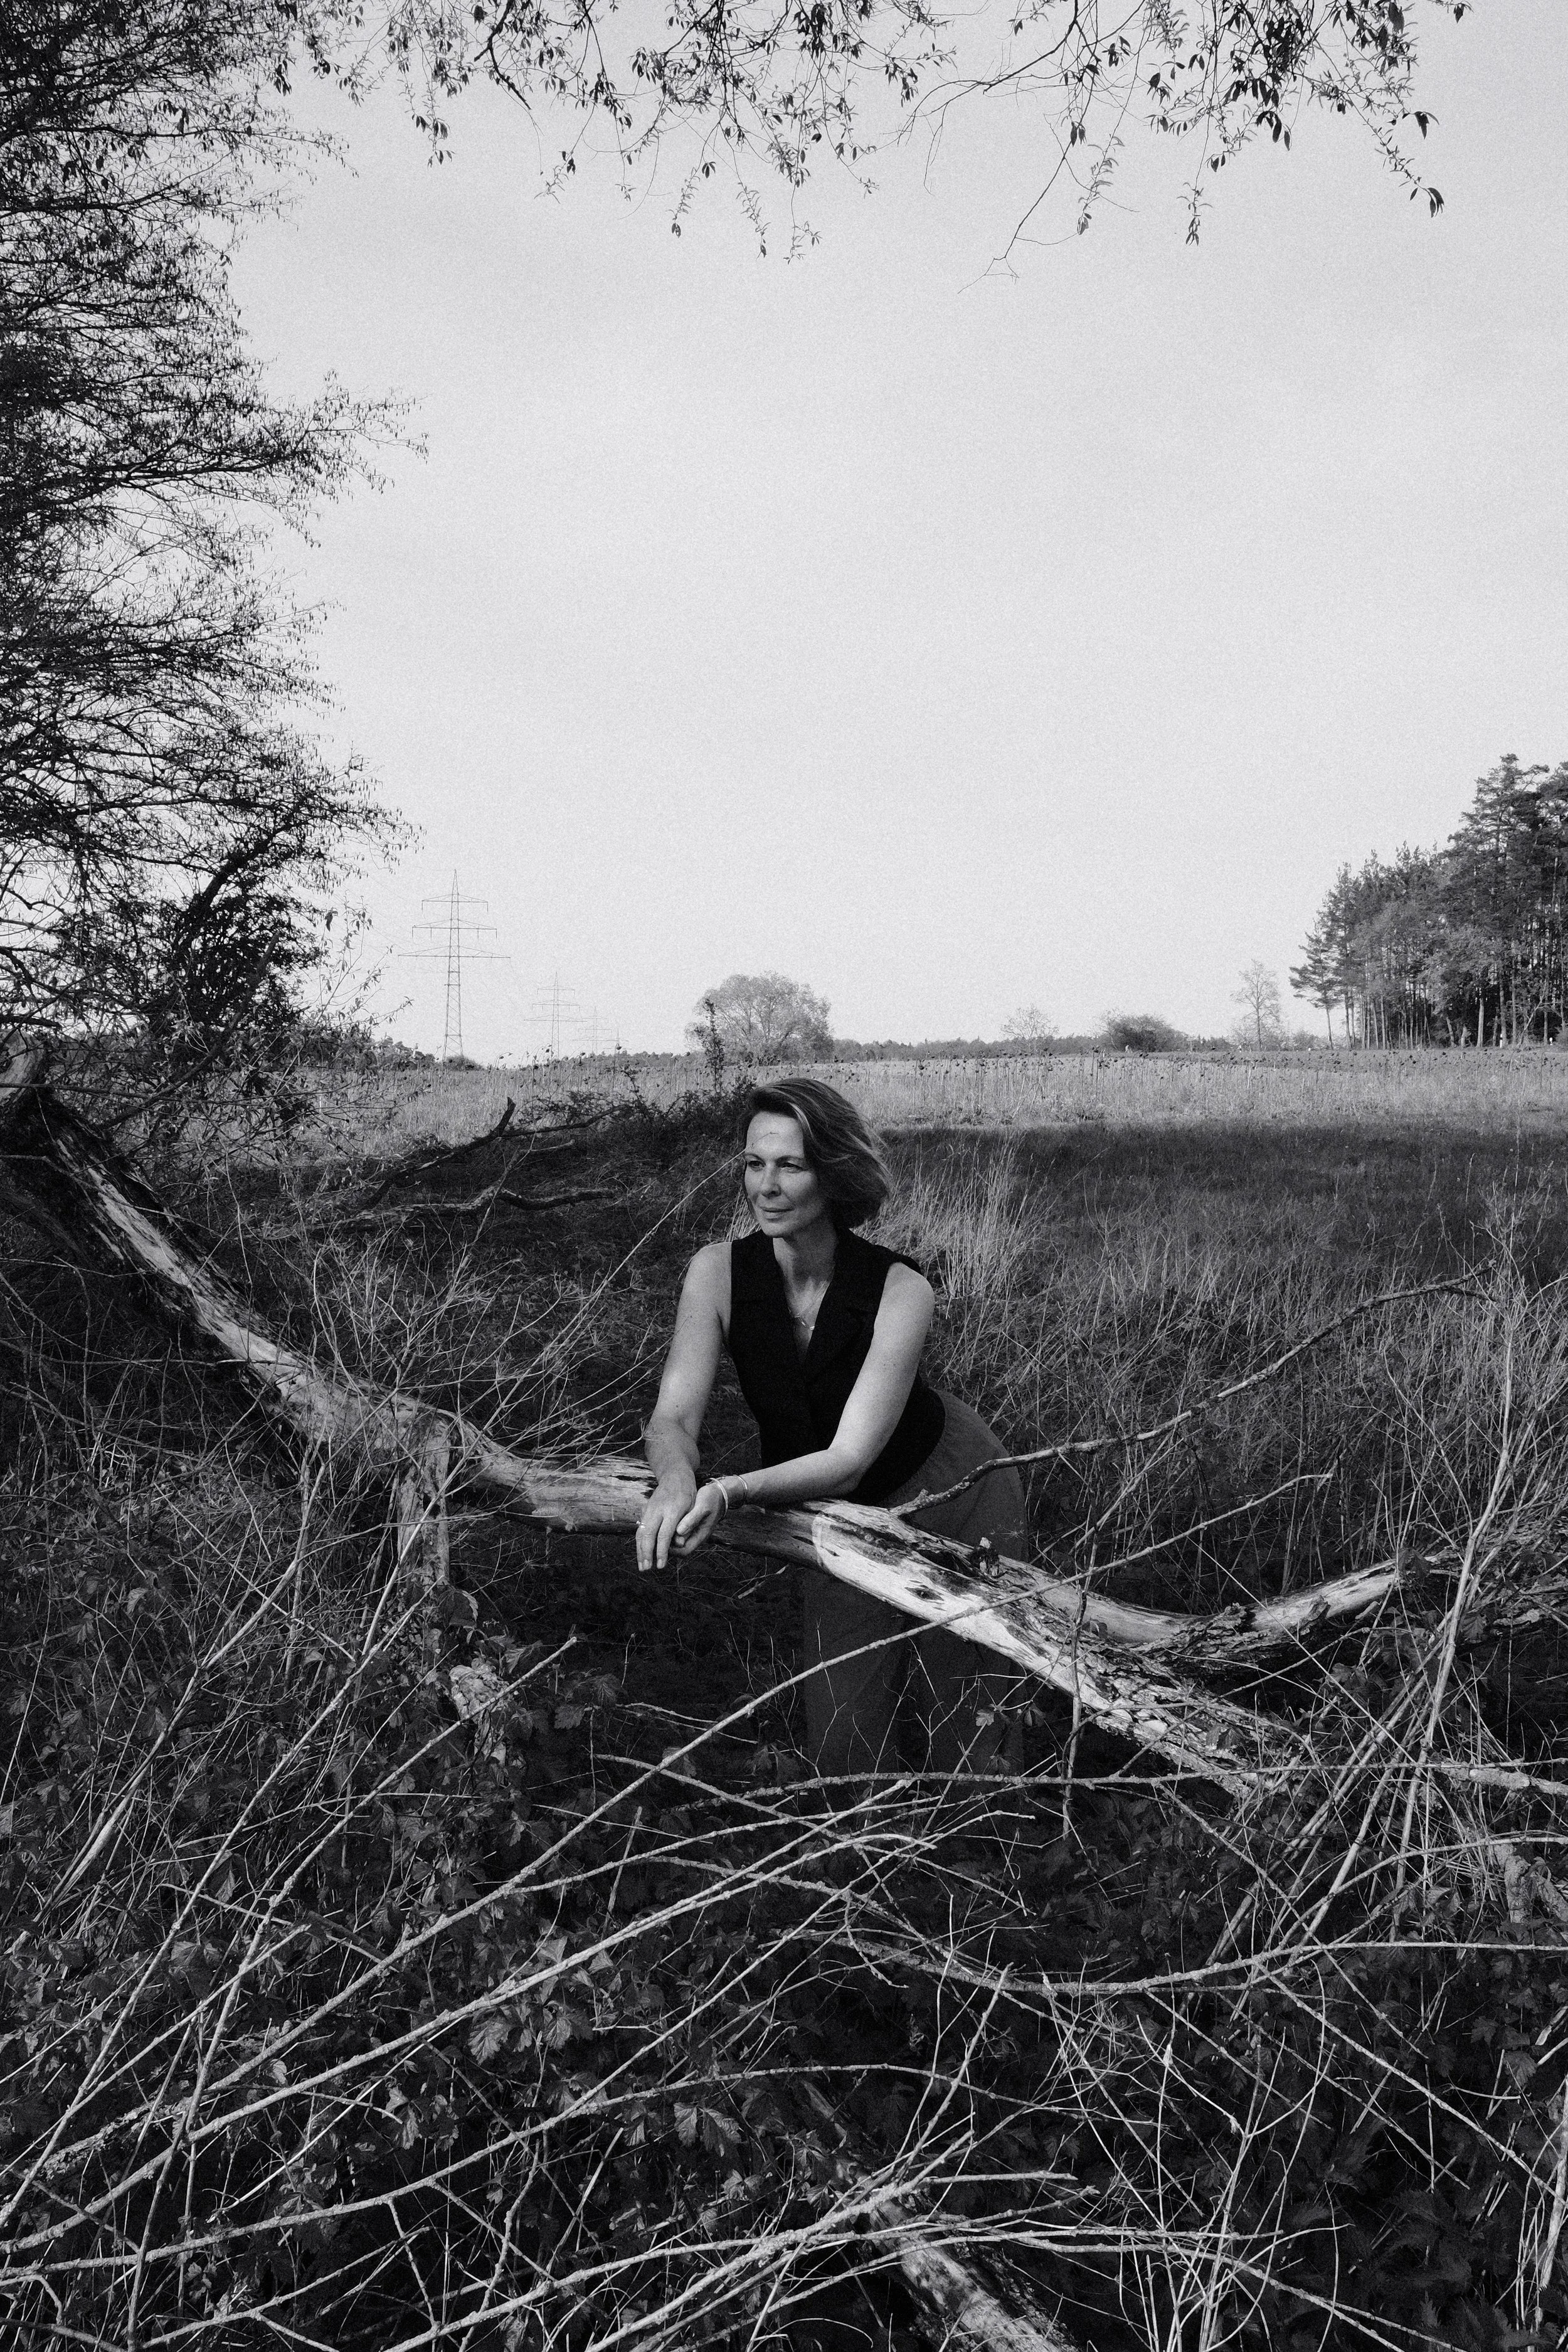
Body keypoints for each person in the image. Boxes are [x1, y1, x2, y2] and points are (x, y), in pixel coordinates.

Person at [636, 1077, 1027, 1784]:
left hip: (954, 1489)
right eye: (755, 1164)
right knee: (845, 1741)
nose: (768, 1186)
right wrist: (674, 1480)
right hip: (829, 1510)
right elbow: (674, 1416)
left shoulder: (901, 1289)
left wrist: (726, 1491)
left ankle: (987, 1870)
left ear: (834, 1171)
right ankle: (860, 1877)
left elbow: (848, 1457)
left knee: (968, 1726)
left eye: (792, 1165)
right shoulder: (716, 1272)